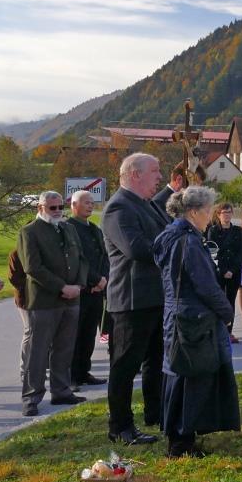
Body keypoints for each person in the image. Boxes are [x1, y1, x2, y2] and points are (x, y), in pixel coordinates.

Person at [152, 186, 240, 458]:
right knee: (191, 379)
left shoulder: (170, 236)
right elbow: (205, 285)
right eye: (207, 210)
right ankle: (181, 444)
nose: (210, 216)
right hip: (193, 319)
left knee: (180, 375)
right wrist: (227, 311)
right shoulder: (188, 242)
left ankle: (182, 439)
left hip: (179, 317)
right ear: (193, 212)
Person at [102, 153, 180, 445]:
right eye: (155, 171)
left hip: (155, 297)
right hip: (132, 301)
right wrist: (174, 249)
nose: (160, 177)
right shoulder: (118, 208)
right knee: (125, 366)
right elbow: (138, 249)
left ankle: (155, 413)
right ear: (135, 174)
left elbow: (168, 234)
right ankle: (120, 426)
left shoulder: (147, 204)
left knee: (156, 360)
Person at [16, 191, 88, 416]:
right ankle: (31, 397)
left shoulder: (68, 228)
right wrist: (62, 287)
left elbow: (81, 259)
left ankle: (61, 391)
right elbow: (32, 267)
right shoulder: (29, 232)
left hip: (72, 298)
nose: (57, 211)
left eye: (60, 207)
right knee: (37, 352)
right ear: (40, 208)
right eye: (52, 208)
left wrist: (79, 285)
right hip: (44, 301)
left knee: (64, 348)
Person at [68, 190, 108, 386]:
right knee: (74, 335)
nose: (90, 206)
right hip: (80, 290)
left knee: (89, 333)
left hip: (97, 290)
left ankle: (84, 371)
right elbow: (76, 259)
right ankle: (72, 376)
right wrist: (93, 281)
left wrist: (104, 280)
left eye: (92, 203)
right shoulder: (68, 228)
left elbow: (104, 256)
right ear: (74, 205)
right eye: (86, 202)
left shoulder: (94, 228)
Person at [205, 202, 242, 343]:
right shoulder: (213, 231)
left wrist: (232, 270)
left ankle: (229, 332)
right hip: (219, 271)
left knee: (230, 301)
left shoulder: (238, 231)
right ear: (218, 214)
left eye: (229, 212)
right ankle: (218, 331)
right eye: (224, 212)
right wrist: (223, 271)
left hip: (235, 271)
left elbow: (241, 252)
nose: (227, 215)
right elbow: (213, 252)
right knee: (219, 301)